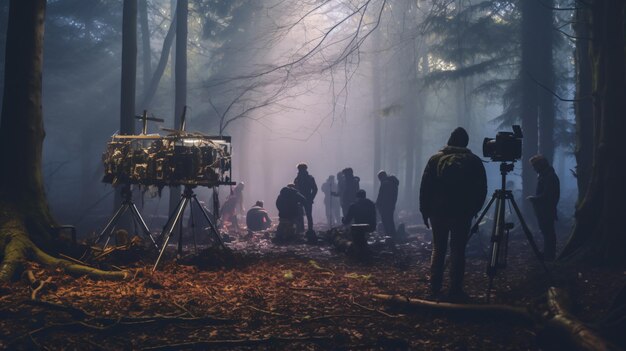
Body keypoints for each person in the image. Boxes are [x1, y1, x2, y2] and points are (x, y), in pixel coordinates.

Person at [419, 127, 487, 300]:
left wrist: (424, 211)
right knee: (458, 250)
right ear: (466, 142)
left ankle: (435, 288)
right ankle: (455, 289)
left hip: (438, 212)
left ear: (449, 140)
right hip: (462, 213)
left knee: (438, 248)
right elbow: (481, 189)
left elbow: (425, 187)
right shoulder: (474, 161)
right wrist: (474, 210)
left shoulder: (435, 159)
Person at [527, 155, 560, 261]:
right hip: (544, 210)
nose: (534, 168)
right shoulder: (546, 175)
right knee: (547, 233)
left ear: (541, 165)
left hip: (547, 210)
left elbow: (547, 195)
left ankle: (549, 256)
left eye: (535, 166)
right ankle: (548, 254)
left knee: (548, 233)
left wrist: (534, 199)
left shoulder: (549, 176)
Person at [376, 170, 399, 241]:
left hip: (384, 206)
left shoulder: (384, 184)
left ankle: (388, 236)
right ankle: (393, 236)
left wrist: (377, 204)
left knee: (385, 221)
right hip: (391, 205)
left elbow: (381, 196)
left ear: (381, 177)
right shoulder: (393, 183)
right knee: (390, 220)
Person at [294, 163, 318, 233]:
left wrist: (311, 198)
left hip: (305, 198)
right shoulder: (300, 178)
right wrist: (311, 197)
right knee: (303, 214)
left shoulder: (308, 178)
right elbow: (315, 189)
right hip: (303, 199)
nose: (300, 171)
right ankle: (304, 229)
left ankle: (307, 230)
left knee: (307, 214)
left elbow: (315, 189)